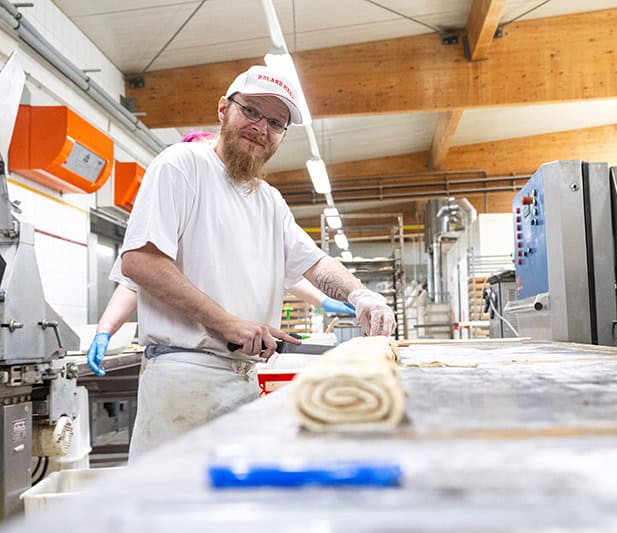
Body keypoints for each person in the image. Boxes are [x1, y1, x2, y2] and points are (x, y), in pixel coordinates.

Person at [114, 64, 394, 458]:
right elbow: (140, 262)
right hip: (184, 381)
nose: (261, 128)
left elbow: (315, 264)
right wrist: (226, 323)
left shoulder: (268, 200)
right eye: (251, 112)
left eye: (276, 123)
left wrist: (362, 295)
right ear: (223, 109)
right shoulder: (182, 165)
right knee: (177, 514)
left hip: (244, 379)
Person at [86, 132, 355, 377]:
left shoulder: (251, 208)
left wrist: (327, 299)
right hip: (186, 365)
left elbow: (292, 271)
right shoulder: (174, 197)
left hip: (243, 365)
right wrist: (104, 331)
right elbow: (134, 279)